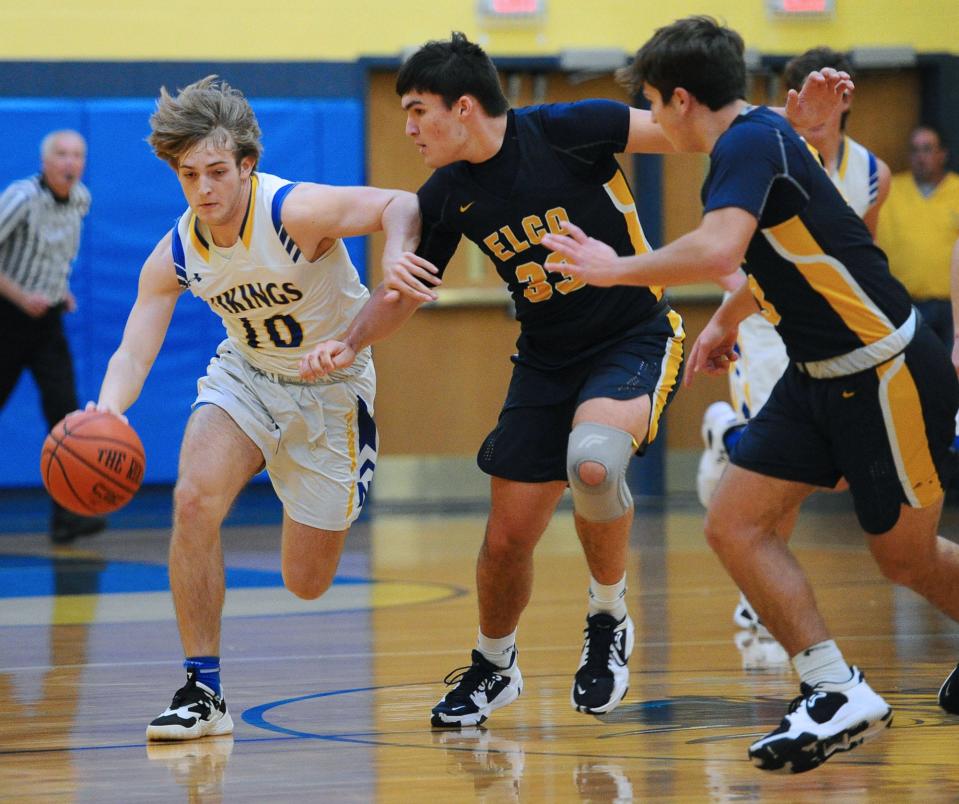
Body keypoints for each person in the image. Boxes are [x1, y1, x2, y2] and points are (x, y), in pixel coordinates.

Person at [301, 32, 850, 729]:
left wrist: (795, 127)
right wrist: (345, 342)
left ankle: (607, 616)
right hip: (544, 359)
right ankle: (494, 665)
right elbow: (401, 299)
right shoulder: (446, 194)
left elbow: (693, 130)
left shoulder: (570, 128)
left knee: (592, 463)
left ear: (463, 106)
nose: (408, 127)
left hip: (635, 334)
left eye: (417, 110)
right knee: (505, 538)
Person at [540, 15, 959, 773]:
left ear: (676, 99)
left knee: (903, 558)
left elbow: (719, 248)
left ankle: (837, 687)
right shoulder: (762, 133)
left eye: (652, 106)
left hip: (884, 370)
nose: (653, 122)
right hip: (818, 376)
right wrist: (725, 320)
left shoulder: (745, 143)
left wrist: (611, 267)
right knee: (733, 522)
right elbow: (780, 249)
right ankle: (832, 687)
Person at [87, 76, 426, 741]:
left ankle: (313, 491)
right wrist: (106, 411)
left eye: (217, 171)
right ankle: (201, 691)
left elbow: (400, 203)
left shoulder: (293, 211)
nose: (204, 188)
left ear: (247, 164)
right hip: (246, 380)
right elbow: (133, 349)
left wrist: (401, 260)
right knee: (192, 500)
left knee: (304, 583)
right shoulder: (178, 251)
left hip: (332, 390)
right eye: (189, 175)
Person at [695, 47, 892, 650]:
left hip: (829, 328)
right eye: (802, 90)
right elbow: (734, 250)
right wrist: (747, 298)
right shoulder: (773, 150)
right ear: (789, 97)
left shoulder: (872, 174)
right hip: (762, 325)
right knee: (778, 465)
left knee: (817, 472)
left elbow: (860, 255)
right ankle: (758, 593)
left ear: (847, 96)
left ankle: (723, 432)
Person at [0, 130, 107, 544]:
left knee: (66, 419)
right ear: (45, 161)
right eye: (62, 154)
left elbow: (54, 253)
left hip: (46, 323)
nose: (70, 162)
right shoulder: (21, 198)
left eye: (78, 155)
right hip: (7, 318)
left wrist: (59, 288)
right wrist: (20, 295)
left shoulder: (81, 199)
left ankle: (67, 516)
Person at [878, 124, 959, 349]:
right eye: (915, 150)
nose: (920, 157)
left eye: (927, 149)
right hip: (903, 305)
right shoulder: (889, 187)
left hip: (950, 309)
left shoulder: (957, 190)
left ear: (942, 154)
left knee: (950, 376)